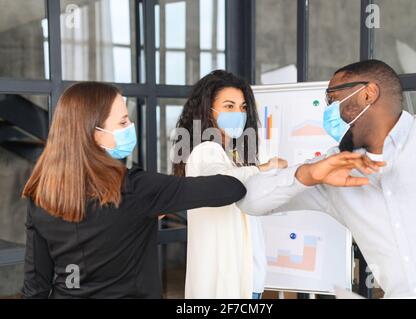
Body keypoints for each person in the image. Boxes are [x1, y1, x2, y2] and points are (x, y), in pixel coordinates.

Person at [238, 60, 416, 298]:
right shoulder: (332, 170)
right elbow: (249, 201)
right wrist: (305, 175)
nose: (328, 112)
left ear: (368, 93)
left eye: (332, 99)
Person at [21, 82, 248, 299]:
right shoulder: (136, 188)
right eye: (122, 123)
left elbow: (35, 287)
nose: (130, 128)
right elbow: (231, 188)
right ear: (94, 133)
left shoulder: (41, 195)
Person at [173, 70, 381, 299]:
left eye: (242, 108)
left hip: (248, 279)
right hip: (228, 285)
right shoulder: (206, 150)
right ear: (207, 111)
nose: (238, 114)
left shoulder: (230, 154)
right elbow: (219, 182)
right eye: (229, 106)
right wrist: (265, 169)